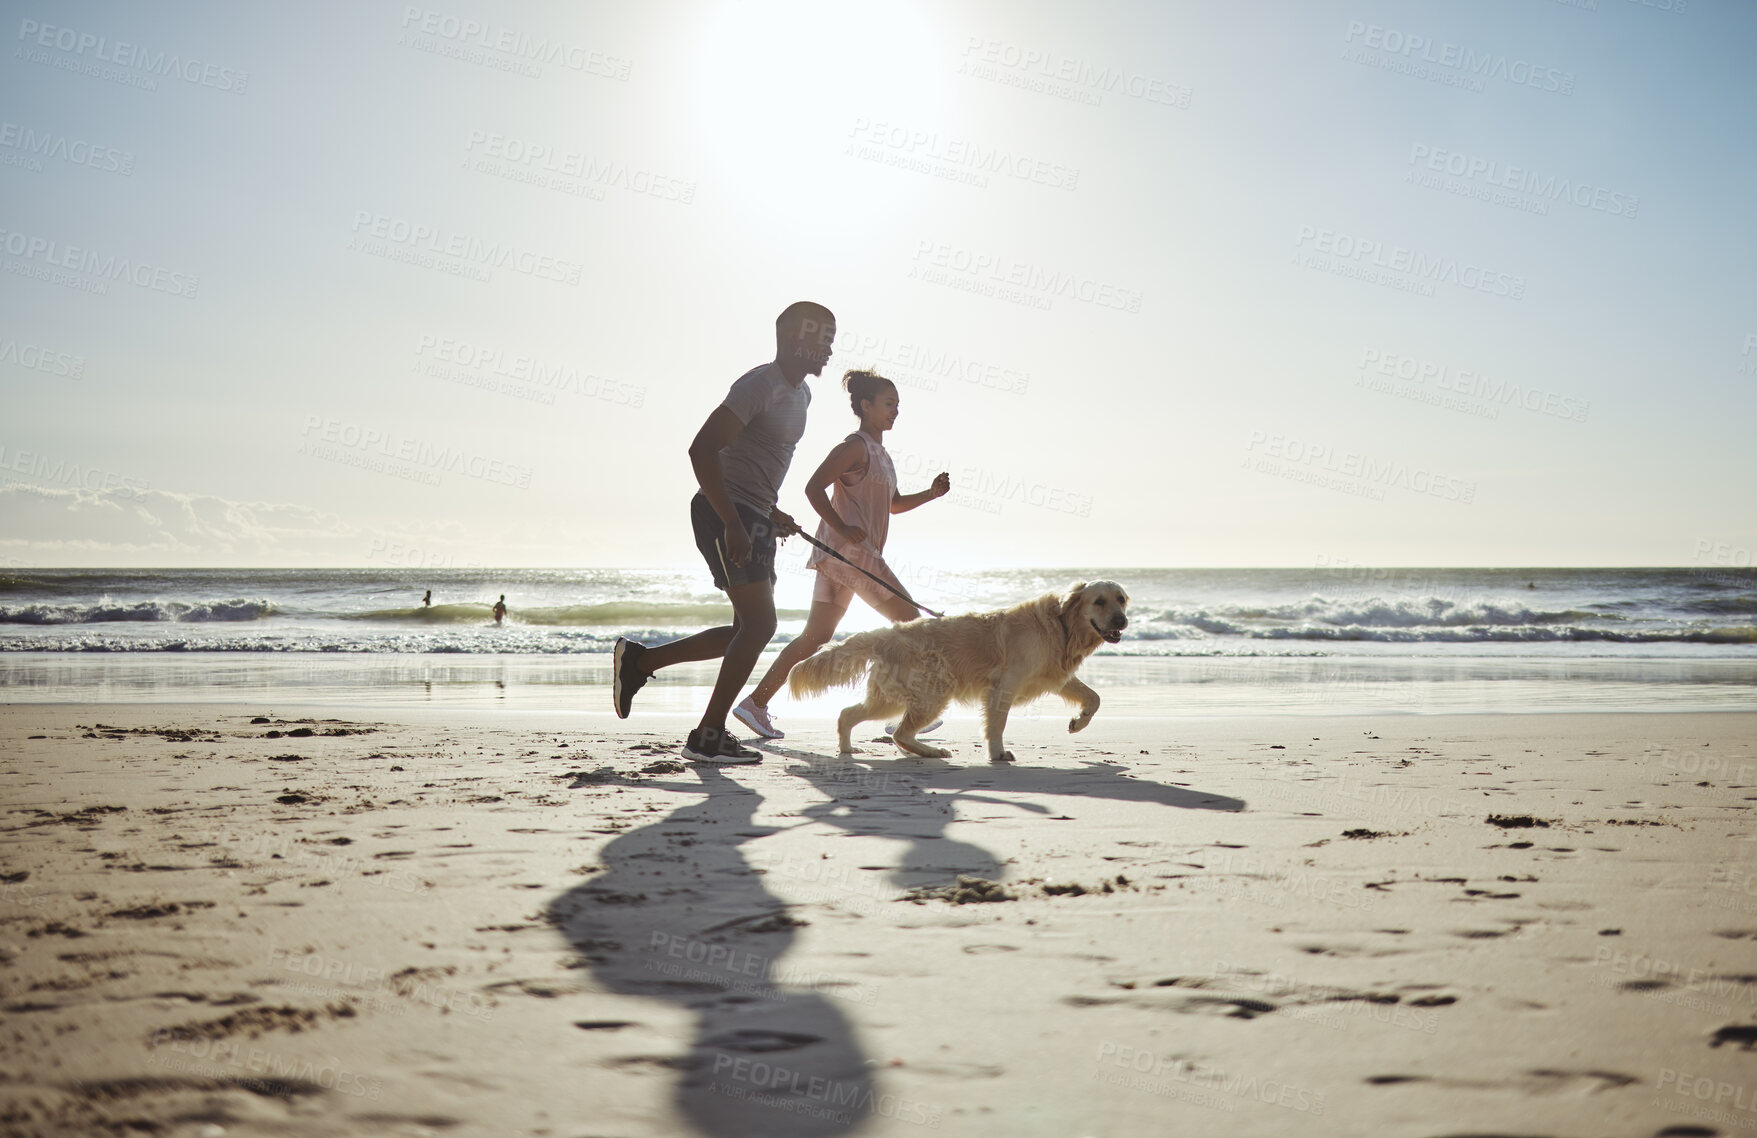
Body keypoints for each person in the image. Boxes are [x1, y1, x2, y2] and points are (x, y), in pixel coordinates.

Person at [612, 301, 837, 763]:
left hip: (753, 515)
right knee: (761, 625)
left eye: (832, 340)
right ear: (795, 338)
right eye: (822, 339)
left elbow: (751, 462)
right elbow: (702, 450)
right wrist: (734, 521)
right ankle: (709, 735)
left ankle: (641, 662)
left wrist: (772, 512)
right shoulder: (761, 384)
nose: (829, 350)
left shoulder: (803, 396)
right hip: (724, 513)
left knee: (744, 629)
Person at [733, 370, 949, 740]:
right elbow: (813, 487)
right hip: (853, 555)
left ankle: (755, 703)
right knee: (912, 624)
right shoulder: (855, 447)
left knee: (815, 637)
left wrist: (930, 494)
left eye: (897, 405)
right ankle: (910, 712)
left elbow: (892, 505)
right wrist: (842, 528)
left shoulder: (881, 454)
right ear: (865, 406)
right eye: (888, 404)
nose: (895, 412)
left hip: (842, 557)